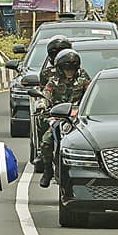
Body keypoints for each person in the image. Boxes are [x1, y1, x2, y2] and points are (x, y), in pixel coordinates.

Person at [37, 49, 91, 188]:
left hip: (78, 120)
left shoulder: (83, 79)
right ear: (60, 69)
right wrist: (42, 105)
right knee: (46, 141)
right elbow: (45, 94)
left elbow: (92, 93)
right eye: (66, 68)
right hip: (58, 117)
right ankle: (48, 169)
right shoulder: (53, 81)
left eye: (72, 68)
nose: (69, 72)